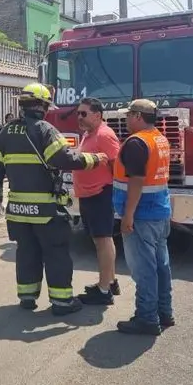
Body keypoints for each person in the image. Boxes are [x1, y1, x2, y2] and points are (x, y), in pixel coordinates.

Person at [0, 83, 109, 316]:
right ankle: (62, 302)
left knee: (26, 252)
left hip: (17, 210)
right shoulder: (45, 130)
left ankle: (27, 297)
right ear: (42, 106)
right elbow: (63, 158)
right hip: (45, 210)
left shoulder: (6, 131)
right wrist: (94, 159)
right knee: (56, 253)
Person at [113, 99, 174, 335]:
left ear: (138, 116)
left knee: (144, 270)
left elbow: (136, 181)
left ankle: (147, 318)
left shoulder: (136, 143)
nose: (126, 119)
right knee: (161, 266)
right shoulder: (159, 138)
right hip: (159, 212)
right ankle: (164, 312)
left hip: (141, 215)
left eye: (128, 115)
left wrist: (128, 216)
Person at [73, 98, 123, 306]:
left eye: (83, 114)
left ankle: (103, 292)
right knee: (100, 240)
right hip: (88, 194)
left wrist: (110, 190)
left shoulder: (104, 135)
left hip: (100, 194)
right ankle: (109, 282)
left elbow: (117, 166)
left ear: (97, 115)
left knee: (103, 240)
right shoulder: (88, 134)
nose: (79, 117)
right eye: (78, 113)